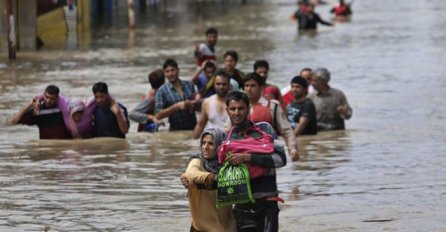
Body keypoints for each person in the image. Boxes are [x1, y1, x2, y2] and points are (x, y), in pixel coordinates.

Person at [224, 91, 286, 232]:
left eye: (241, 108)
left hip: (267, 202)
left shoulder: (265, 129)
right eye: (232, 109)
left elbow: (281, 160)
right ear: (226, 110)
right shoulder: (227, 138)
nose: (236, 113)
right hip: (241, 206)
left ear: (248, 109)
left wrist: (248, 158)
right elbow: (217, 169)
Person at [184, 128, 237, 232]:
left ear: (220, 146)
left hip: (226, 227)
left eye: (211, 144)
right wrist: (212, 178)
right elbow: (191, 174)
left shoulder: (229, 165)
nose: (205, 147)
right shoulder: (197, 161)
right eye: (203, 143)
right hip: (200, 228)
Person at [243, 73, 299, 161]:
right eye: (246, 86)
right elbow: (228, 130)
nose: (249, 89)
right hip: (243, 154)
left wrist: (292, 148)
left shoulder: (273, 106)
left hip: (267, 155)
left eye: (253, 86)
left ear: (261, 87)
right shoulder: (238, 106)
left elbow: (286, 130)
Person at [155, 59, 198, 131]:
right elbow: (158, 115)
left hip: (194, 129)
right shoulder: (162, 91)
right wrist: (176, 106)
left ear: (178, 70)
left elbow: (196, 103)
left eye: (172, 70)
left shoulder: (189, 84)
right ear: (164, 73)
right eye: (167, 71)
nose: (170, 74)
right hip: (176, 131)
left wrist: (194, 103)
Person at [192, 70, 231, 139]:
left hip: (229, 142)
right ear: (214, 85)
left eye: (224, 84)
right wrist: (192, 143)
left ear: (229, 85)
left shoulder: (235, 103)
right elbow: (201, 124)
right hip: (212, 142)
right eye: (218, 84)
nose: (221, 87)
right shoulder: (207, 102)